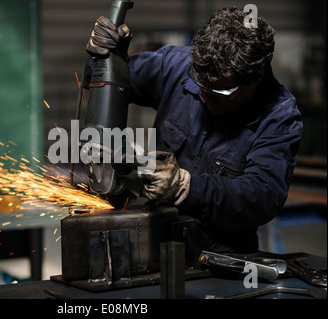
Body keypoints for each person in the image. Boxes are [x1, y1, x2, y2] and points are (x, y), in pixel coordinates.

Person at [84, 7, 303, 253]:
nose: (205, 98)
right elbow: (95, 77)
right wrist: (108, 57)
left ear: (256, 77)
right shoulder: (176, 66)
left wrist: (185, 187)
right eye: (200, 85)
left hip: (218, 257)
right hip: (153, 240)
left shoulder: (279, 115)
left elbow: (262, 197)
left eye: (219, 92)